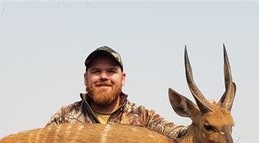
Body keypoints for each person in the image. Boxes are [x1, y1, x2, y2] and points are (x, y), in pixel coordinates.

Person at [46, 46, 183, 138]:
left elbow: (181, 135)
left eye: (111, 71)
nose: (104, 77)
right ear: (86, 79)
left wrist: (203, 115)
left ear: (122, 78)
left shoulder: (143, 117)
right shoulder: (65, 117)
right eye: (96, 71)